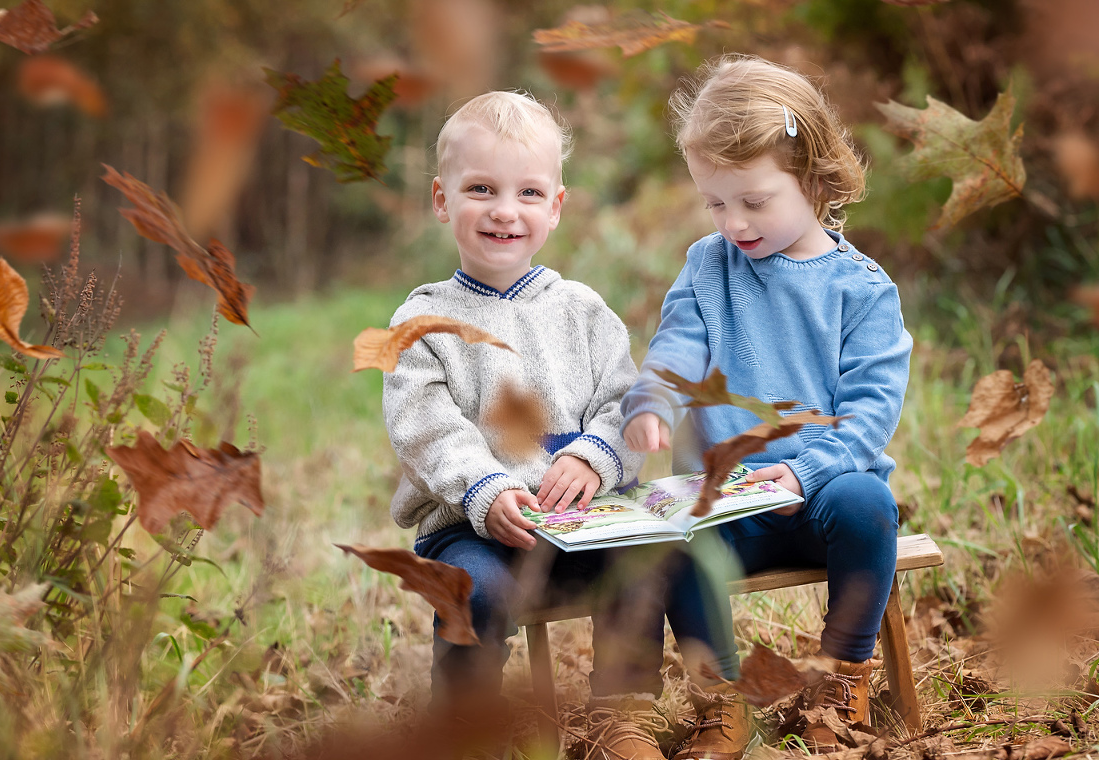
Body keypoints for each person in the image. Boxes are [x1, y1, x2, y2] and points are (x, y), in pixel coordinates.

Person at [383, 90, 709, 758]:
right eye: (481, 189)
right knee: (475, 596)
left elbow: (625, 401)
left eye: (529, 192)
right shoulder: (421, 322)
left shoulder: (583, 311)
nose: (506, 211)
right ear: (443, 202)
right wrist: (483, 490)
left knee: (643, 564)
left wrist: (595, 456)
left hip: (582, 523)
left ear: (555, 207)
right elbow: (424, 427)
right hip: (471, 530)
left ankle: (622, 716)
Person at [622, 55, 913, 756]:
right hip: (726, 506)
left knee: (867, 507)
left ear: (813, 180)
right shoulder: (707, 266)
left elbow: (870, 408)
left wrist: (807, 472)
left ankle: (842, 678)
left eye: (754, 201)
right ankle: (721, 702)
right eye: (716, 203)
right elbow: (676, 346)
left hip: (819, 500)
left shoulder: (862, 290)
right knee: (672, 533)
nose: (734, 222)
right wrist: (651, 398)